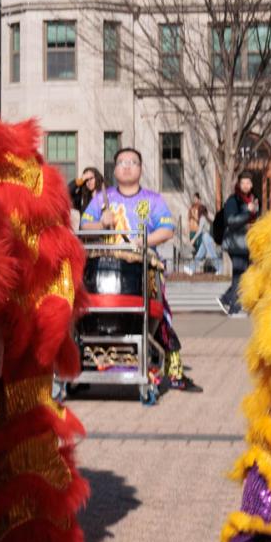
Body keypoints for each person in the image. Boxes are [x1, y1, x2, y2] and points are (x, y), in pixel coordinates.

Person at [81, 148, 202, 393]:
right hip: (105, 270)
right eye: (121, 162)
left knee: (159, 318)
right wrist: (101, 223)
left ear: (140, 169)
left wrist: (143, 242)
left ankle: (174, 372)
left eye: (132, 162)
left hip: (144, 270)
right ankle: (86, 365)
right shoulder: (102, 200)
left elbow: (167, 230)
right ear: (114, 170)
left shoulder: (153, 199)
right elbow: (84, 225)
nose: (126, 166)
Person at [218, 173, 261, 317]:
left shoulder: (253, 200)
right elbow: (231, 221)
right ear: (239, 184)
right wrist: (248, 213)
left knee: (244, 275)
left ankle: (225, 299)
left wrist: (255, 212)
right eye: (243, 183)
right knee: (239, 275)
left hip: (247, 243)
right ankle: (234, 308)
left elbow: (256, 219)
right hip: (235, 243)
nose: (246, 186)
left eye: (248, 183)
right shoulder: (233, 200)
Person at [190, 193, 222, 275]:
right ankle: (191, 268)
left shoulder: (203, 218)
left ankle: (220, 268)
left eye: (198, 212)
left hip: (206, 237)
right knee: (199, 254)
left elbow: (200, 230)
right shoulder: (209, 216)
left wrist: (193, 239)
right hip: (209, 237)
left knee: (212, 254)